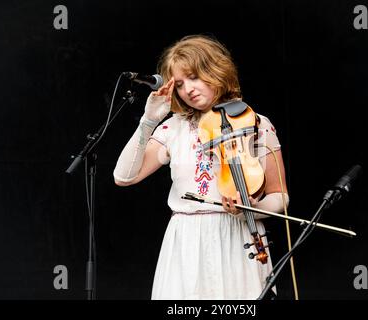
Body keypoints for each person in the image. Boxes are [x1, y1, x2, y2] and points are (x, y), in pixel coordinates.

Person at [113, 35, 289, 300]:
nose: (188, 90)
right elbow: (124, 177)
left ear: (215, 70)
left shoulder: (256, 123)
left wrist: (251, 209)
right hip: (186, 241)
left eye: (194, 76)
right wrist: (148, 121)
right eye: (180, 84)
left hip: (238, 236)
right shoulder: (173, 128)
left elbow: (280, 196)